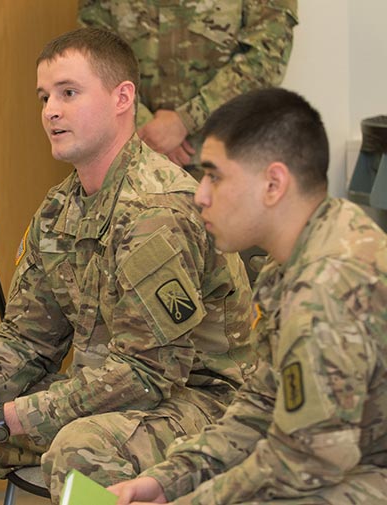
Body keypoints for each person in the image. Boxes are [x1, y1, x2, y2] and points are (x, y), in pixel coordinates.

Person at [0, 27, 253, 504]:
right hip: (104, 396)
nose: (50, 110)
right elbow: (27, 338)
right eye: (45, 96)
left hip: (201, 402)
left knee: (83, 450)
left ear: (121, 98)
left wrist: (2, 418)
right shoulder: (59, 208)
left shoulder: (156, 212)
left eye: (69, 92)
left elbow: (149, 374)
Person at [110, 88, 387, 505]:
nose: (200, 194)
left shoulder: (326, 287)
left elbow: (305, 462)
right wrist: (167, 481)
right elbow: (260, 406)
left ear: (274, 184)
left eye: (215, 176)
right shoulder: (296, 257)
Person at [78, 0, 297, 167]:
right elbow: (95, 50)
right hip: (129, 155)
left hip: (229, 159)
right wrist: (142, 124)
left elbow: (267, 58)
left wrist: (186, 120)